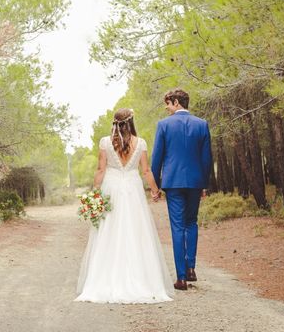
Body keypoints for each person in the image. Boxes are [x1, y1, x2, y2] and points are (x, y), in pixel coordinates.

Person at [75, 108, 175, 304]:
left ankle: (105, 279)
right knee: (136, 231)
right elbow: (146, 170)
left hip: (111, 187)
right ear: (131, 123)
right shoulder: (141, 143)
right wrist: (155, 190)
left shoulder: (105, 142)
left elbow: (100, 169)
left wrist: (95, 193)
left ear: (115, 123)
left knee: (109, 231)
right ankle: (141, 280)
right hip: (132, 189)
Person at [151, 89, 213, 291]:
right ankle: (191, 267)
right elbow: (206, 159)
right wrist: (204, 183)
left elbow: (157, 158)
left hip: (173, 182)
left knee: (177, 227)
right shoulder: (202, 124)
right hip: (195, 181)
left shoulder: (163, 125)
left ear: (176, 102)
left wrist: (155, 186)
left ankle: (181, 278)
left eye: (168, 103)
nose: (167, 108)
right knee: (191, 222)